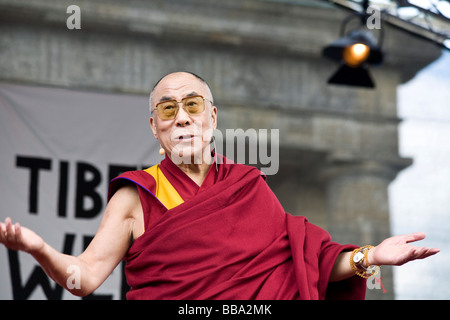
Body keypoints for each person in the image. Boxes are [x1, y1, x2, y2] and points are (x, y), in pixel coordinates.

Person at [0, 72, 439, 300]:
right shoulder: (136, 196)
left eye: (192, 105)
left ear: (212, 117)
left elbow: (307, 263)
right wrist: (39, 249)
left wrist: (371, 257)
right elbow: (85, 278)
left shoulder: (246, 185)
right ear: (154, 128)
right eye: (168, 110)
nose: (183, 117)